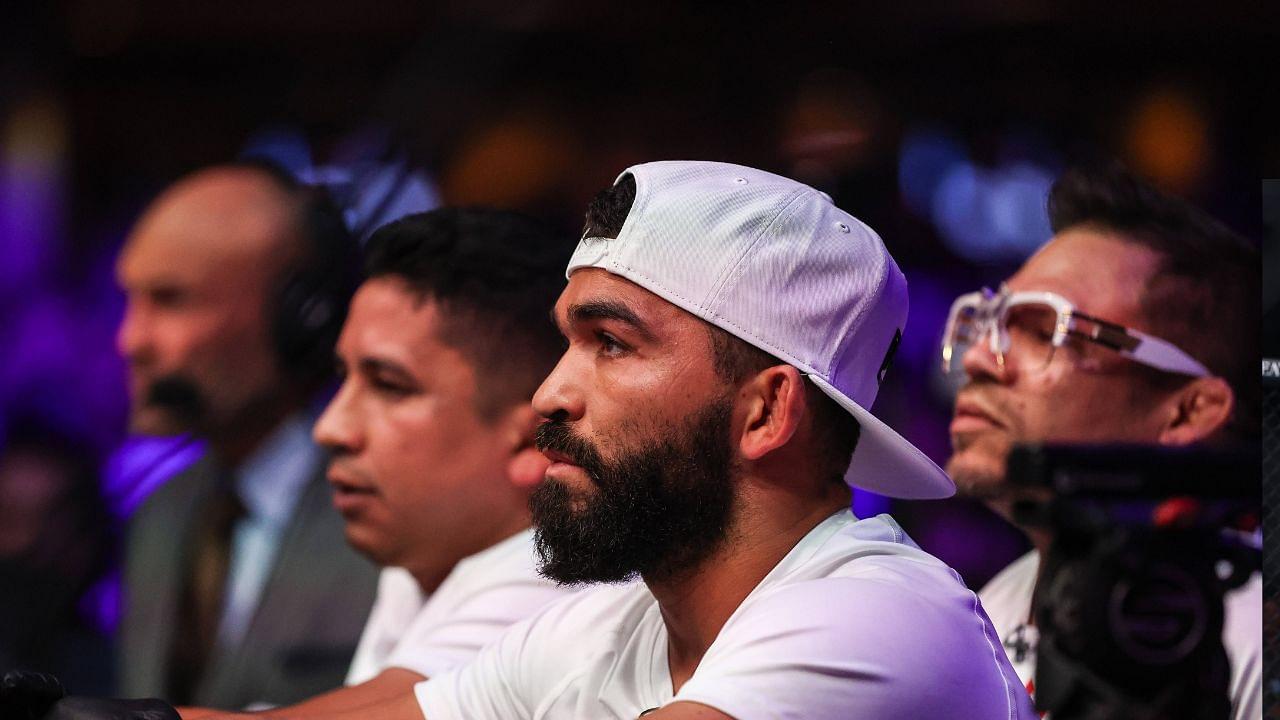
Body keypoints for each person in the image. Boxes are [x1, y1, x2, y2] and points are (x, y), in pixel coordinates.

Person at [259, 160, 1033, 720]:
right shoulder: (608, 626)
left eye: (613, 344)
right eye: (569, 341)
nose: (549, 394)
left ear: (766, 412)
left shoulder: (880, 619)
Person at [942, 162, 1261, 718]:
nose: (976, 359)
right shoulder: (994, 606)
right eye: (991, 321)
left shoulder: (1260, 632)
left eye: (1045, 330)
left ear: (1189, 409)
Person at [115, 162, 378, 708]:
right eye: (130, 301)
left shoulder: (394, 513)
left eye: (170, 299)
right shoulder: (160, 513)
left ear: (304, 317)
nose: (131, 340)